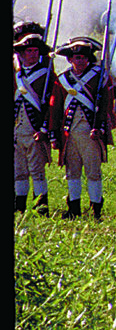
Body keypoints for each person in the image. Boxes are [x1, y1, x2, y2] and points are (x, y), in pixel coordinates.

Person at [50, 37, 113, 219]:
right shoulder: (62, 80)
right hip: (69, 134)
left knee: (93, 171)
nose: (80, 61)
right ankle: (74, 208)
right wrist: (54, 134)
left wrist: (100, 128)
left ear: (89, 59)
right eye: (76, 58)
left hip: (90, 132)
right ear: (70, 59)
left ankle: (96, 209)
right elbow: (56, 108)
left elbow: (105, 106)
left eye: (83, 58)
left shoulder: (99, 77)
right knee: (72, 172)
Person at [14, 29, 55, 215]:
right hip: (17, 130)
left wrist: (44, 128)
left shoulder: (46, 75)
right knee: (19, 170)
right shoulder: (16, 76)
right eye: (28, 51)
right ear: (21, 54)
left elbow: (51, 105)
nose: (32, 54)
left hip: (35, 129)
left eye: (35, 51)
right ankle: (19, 206)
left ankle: (41, 207)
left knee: (37, 171)